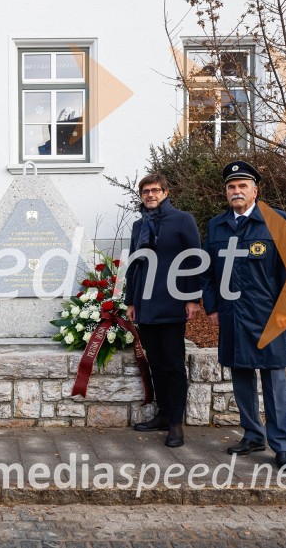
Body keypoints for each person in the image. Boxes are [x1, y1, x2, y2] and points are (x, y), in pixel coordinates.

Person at [202, 160, 286, 468]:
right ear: (226, 192)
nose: (236, 191)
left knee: (274, 380)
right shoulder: (216, 226)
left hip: (269, 314)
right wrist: (212, 306)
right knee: (241, 377)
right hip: (232, 315)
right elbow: (208, 272)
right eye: (231, 187)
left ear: (255, 191)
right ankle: (253, 435)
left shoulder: (277, 221)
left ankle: (282, 446)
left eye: (243, 186)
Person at [125, 173, 201, 448]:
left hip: (172, 302)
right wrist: (131, 301)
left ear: (166, 193)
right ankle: (164, 414)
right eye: (146, 191)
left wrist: (192, 298)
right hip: (145, 305)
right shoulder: (139, 225)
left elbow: (195, 259)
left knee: (173, 364)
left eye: (156, 190)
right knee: (155, 362)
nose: (151, 195)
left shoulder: (183, 220)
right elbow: (134, 264)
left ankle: (176, 424)